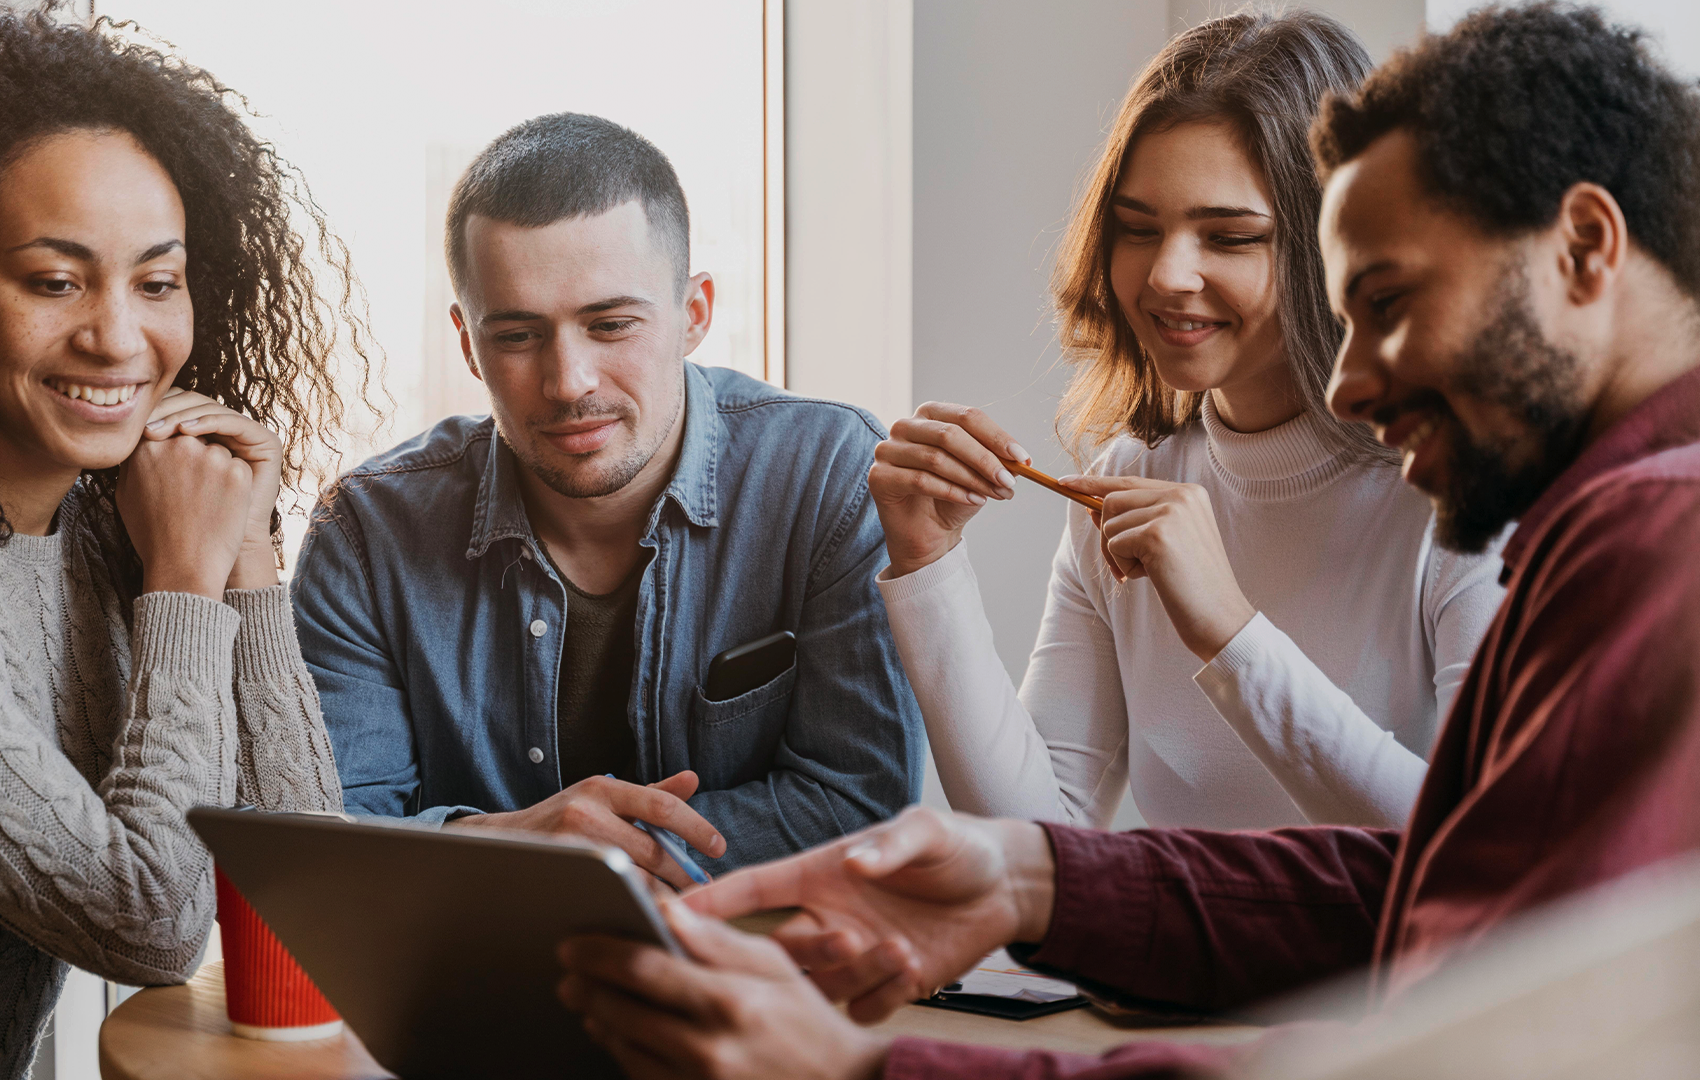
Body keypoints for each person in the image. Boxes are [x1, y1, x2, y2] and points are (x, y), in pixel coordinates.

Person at [555, 5, 1700, 1076]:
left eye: (1388, 302)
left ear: (1588, 247)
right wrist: (1033, 877)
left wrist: (872, 1065)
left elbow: (1467, 1022)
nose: (1353, 376)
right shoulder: (1578, 514)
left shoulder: (1637, 531)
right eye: (1138, 229)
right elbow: (1431, 886)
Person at [0, 5, 365, 1077]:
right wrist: (184, 580)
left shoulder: (113, 516)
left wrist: (244, 557)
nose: (115, 335)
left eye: (157, 281)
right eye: (54, 281)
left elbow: (303, 887)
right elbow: (145, 926)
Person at [869, 10, 1505, 830]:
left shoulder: (1463, 498)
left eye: (1229, 237)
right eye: (1138, 229)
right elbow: (1039, 838)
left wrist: (1231, 631)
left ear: (1336, 248)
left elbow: (1476, 853)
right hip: (1181, 962)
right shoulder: (1123, 483)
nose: (1167, 274)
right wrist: (929, 566)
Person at [291, 113, 923, 882]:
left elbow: (861, 806)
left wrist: (578, 852)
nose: (569, 382)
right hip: (461, 987)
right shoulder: (367, 531)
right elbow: (336, 834)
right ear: (467, 342)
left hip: (757, 979)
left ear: (695, 313)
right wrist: (522, 842)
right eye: (518, 337)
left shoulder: (827, 473)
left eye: (611, 324)